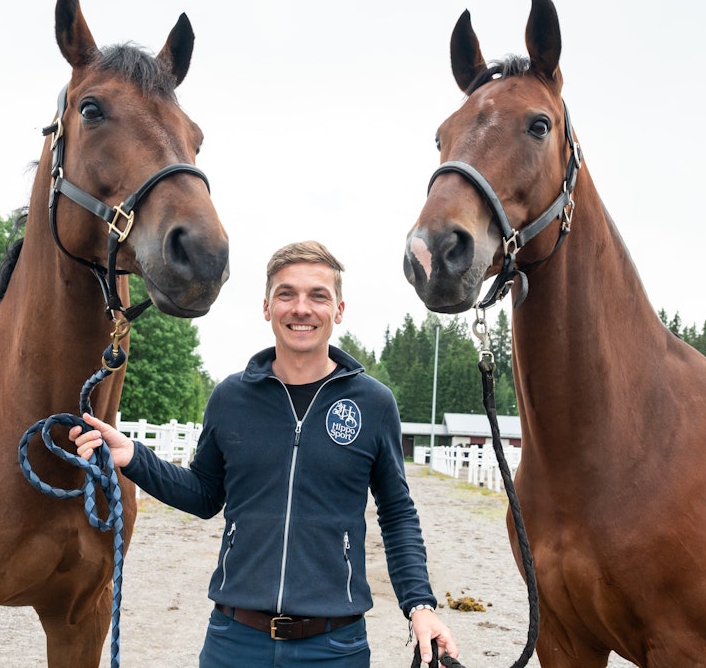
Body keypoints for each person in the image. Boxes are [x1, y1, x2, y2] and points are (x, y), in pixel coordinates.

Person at [70, 240, 460, 667]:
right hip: (234, 641)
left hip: (335, 647)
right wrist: (133, 456)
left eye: (318, 296)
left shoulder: (374, 404)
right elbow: (204, 494)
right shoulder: (230, 397)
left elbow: (398, 513)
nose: (301, 308)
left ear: (339, 310)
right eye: (286, 294)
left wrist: (420, 605)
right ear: (267, 307)